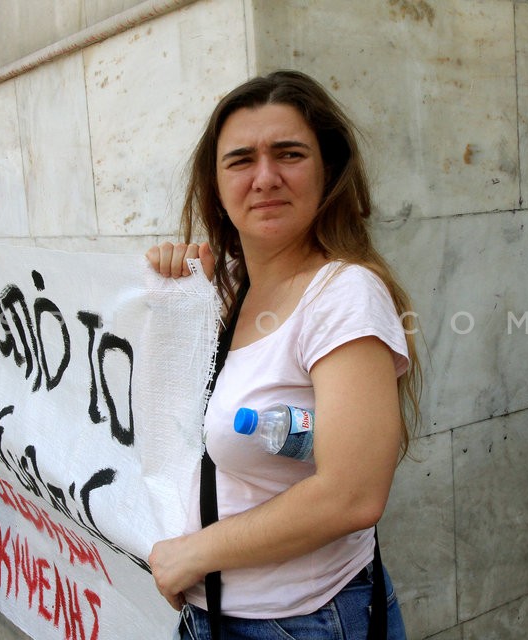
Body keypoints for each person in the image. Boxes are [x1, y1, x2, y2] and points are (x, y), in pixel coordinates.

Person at [146, 70, 421, 639]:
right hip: (213, 613)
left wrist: (194, 554)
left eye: (289, 153)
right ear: (216, 185)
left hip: (304, 624)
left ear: (328, 171)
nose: (265, 177)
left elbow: (352, 496)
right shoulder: (221, 291)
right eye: (241, 159)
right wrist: (166, 293)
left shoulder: (343, 295)